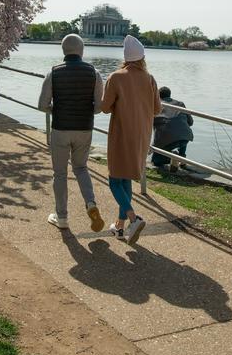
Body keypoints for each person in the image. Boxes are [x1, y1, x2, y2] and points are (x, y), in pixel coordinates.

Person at [37, 34, 106, 233]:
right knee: (81, 168)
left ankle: (62, 217)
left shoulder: (54, 73)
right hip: (84, 128)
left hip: (60, 128)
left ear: (63, 50)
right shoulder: (94, 72)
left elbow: (42, 104)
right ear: (82, 50)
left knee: (59, 173)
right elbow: (99, 107)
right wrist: (85, 110)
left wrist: (55, 110)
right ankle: (91, 203)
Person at [99, 35, 161, 245]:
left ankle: (134, 219)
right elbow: (157, 109)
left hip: (122, 134)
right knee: (125, 179)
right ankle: (119, 226)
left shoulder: (116, 77)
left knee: (115, 179)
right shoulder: (149, 78)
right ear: (142, 57)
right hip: (142, 135)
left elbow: (105, 108)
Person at [151, 86, 194, 172]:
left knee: (156, 162)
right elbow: (190, 122)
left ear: (158, 96)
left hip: (167, 139)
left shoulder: (155, 107)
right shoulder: (180, 104)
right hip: (185, 138)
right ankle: (181, 157)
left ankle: (172, 156)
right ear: (170, 95)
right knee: (182, 129)